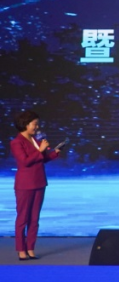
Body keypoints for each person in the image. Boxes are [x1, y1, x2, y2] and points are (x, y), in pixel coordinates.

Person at [11, 110, 63, 260]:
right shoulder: (16, 142)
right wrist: (40, 150)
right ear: (25, 124)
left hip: (39, 182)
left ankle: (30, 248)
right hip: (25, 184)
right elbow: (25, 161)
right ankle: (21, 249)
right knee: (23, 218)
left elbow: (41, 159)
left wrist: (54, 153)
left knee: (34, 218)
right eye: (35, 124)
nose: (37, 127)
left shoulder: (35, 140)